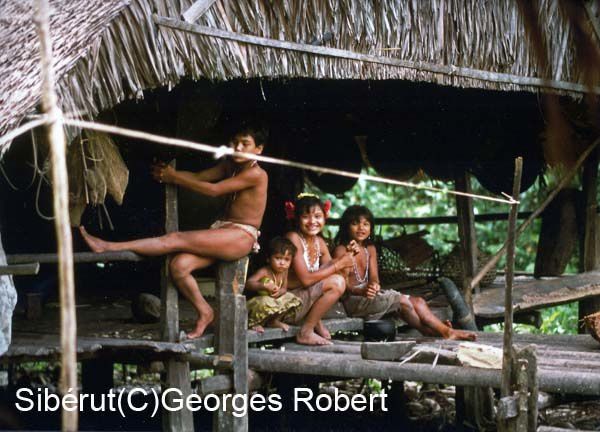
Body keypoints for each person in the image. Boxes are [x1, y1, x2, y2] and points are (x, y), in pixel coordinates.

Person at [79, 126, 269, 339]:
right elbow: (199, 176)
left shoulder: (256, 174)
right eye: (235, 142)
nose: (238, 147)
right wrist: (168, 174)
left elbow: (213, 190)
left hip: (241, 235)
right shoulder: (230, 166)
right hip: (223, 230)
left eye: (245, 143)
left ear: (258, 150)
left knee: (174, 239)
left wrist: (174, 178)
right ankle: (205, 312)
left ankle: (107, 246)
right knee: (178, 266)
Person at [333, 205, 476, 341]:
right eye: (355, 223)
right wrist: (362, 291)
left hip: (371, 297)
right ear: (346, 227)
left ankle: (434, 331)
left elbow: (374, 278)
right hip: (354, 302)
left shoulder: (370, 249)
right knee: (401, 301)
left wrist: (374, 285)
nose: (361, 228)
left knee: (418, 301)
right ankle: (444, 331)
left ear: (371, 228)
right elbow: (343, 288)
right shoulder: (341, 250)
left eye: (366, 224)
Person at [284, 194, 357, 346]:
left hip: (303, 302)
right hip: (286, 306)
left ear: (325, 217)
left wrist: (348, 256)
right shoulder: (293, 238)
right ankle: (306, 331)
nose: (312, 222)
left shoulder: (319, 242)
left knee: (338, 281)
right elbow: (306, 279)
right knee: (336, 283)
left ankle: (315, 322)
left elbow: (338, 274)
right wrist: (338, 263)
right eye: (305, 216)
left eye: (317, 216)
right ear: (296, 219)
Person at [245, 237, 302, 333]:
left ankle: (273, 321)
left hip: (272, 301)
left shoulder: (284, 272)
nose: (282, 263)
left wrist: (280, 292)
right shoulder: (264, 271)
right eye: (278, 258)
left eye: (287, 259)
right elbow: (248, 284)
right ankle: (253, 323)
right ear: (268, 258)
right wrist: (263, 286)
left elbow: (284, 288)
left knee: (291, 297)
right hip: (257, 303)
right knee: (264, 301)